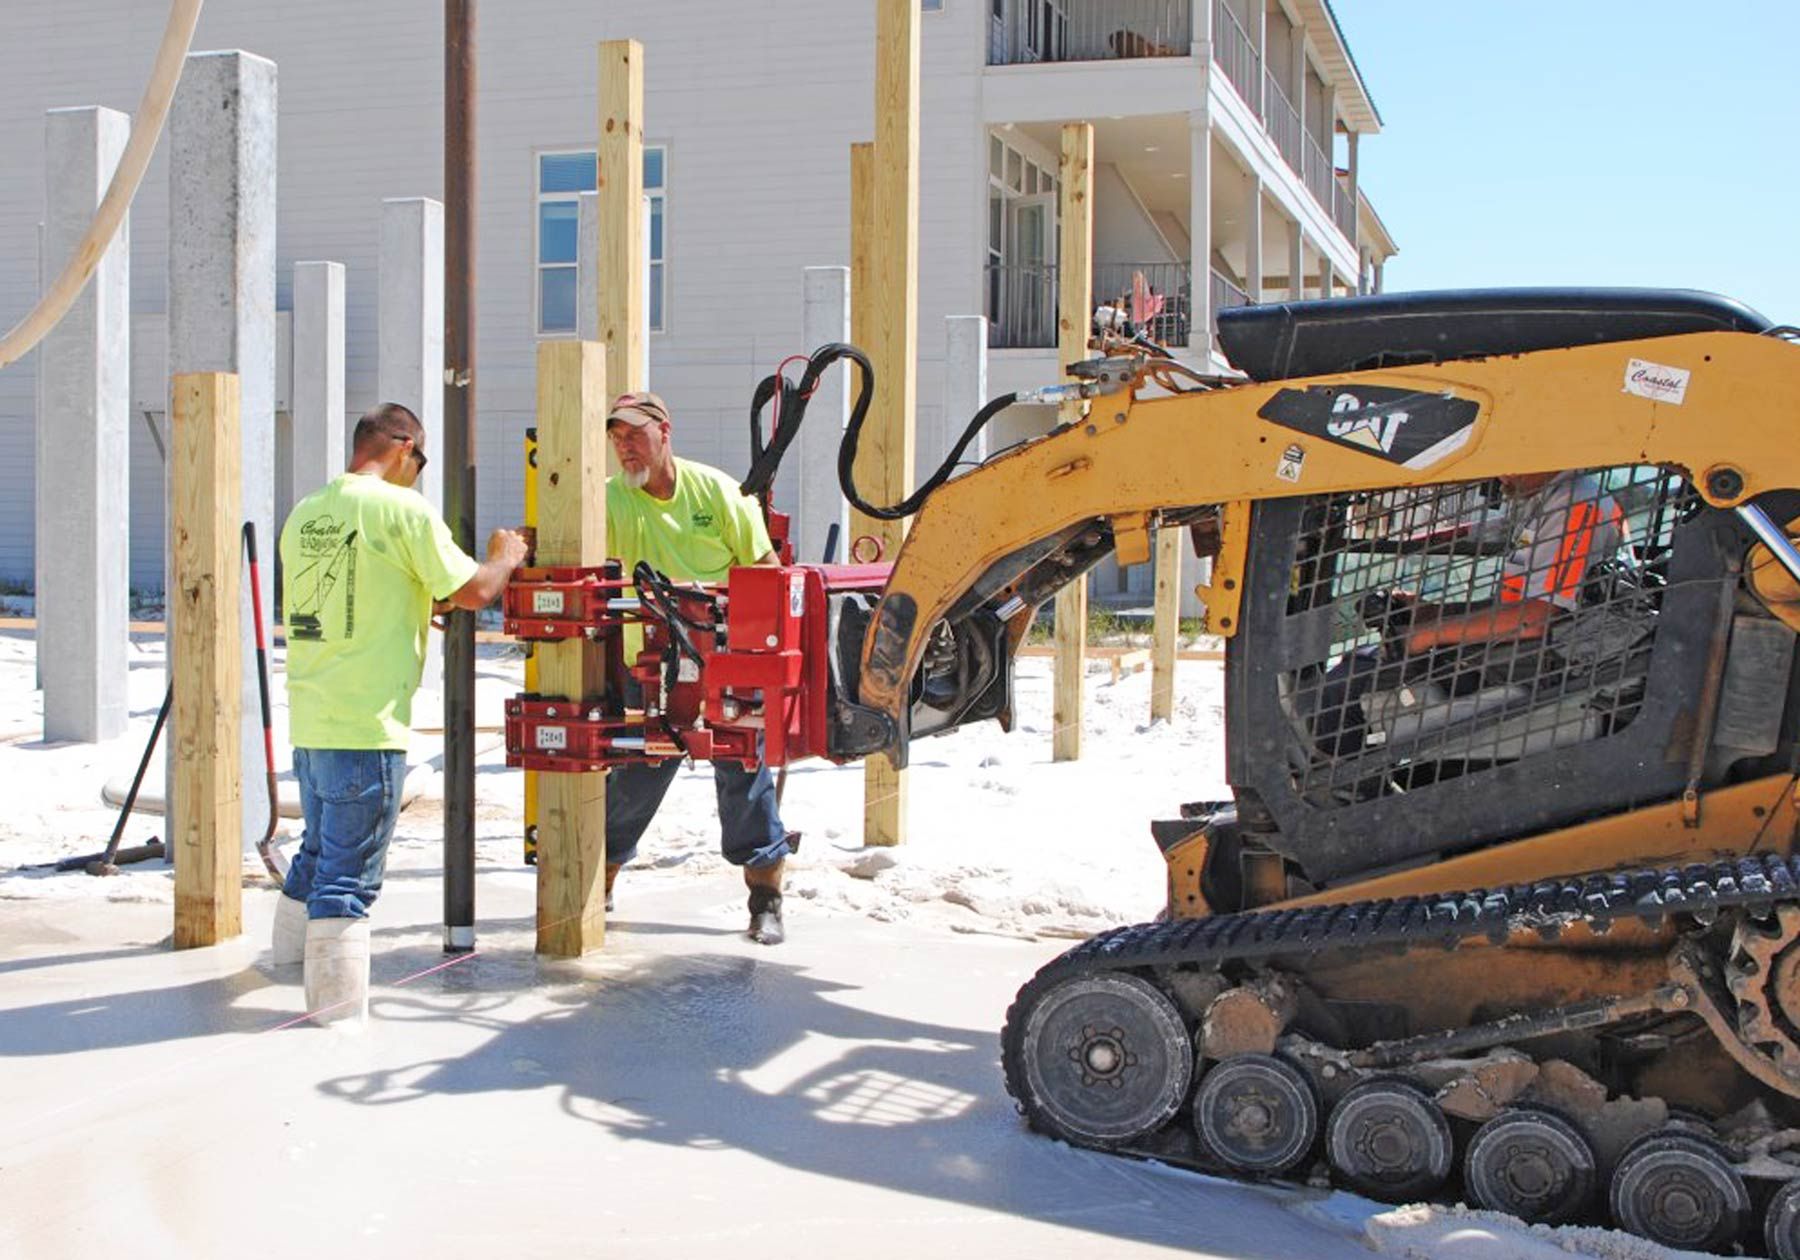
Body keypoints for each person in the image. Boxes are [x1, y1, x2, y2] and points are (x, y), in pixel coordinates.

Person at [274, 402, 529, 1026]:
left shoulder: (307, 511)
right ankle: (333, 1017)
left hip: (312, 720)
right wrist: (504, 555)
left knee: (316, 850)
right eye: (419, 460)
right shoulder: (401, 508)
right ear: (402, 445)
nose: (419, 473)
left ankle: (281, 967)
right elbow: (473, 589)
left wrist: (417, 601)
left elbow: (349, 594)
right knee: (348, 877)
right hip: (368, 723)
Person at [602, 390, 796, 945]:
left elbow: (766, 571)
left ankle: (766, 901)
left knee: (744, 776)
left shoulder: (716, 492)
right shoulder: (610, 500)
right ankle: (599, 884)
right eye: (617, 440)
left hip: (725, 664)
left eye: (635, 436)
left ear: (665, 432)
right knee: (636, 774)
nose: (625, 449)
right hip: (649, 668)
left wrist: (757, 659)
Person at [1311, 469, 1628, 759]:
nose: (1501, 473)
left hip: (1546, 669)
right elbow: (1513, 606)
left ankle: (1345, 792)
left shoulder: (1575, 505)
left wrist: (1429, 634)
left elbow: (1535, 618)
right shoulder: (1544, 500)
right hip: (1514, 654)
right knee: (1357, 664)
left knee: (1351, 687)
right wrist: (1431, 613)